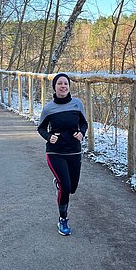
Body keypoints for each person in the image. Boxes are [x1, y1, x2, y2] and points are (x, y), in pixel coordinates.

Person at [37, 73, 88, 235]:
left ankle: (60, 184)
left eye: (65, 83)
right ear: (54, 87)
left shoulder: (77, 104)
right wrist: (48, 136)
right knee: (66, 187)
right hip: (55, 152)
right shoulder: (49, 108)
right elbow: (41, 128)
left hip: (74, 150)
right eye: (59, 83)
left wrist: (81, 133)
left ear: (69, 86)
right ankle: (63, 219)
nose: (63, 86)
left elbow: (84, 124)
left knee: (72, 188)